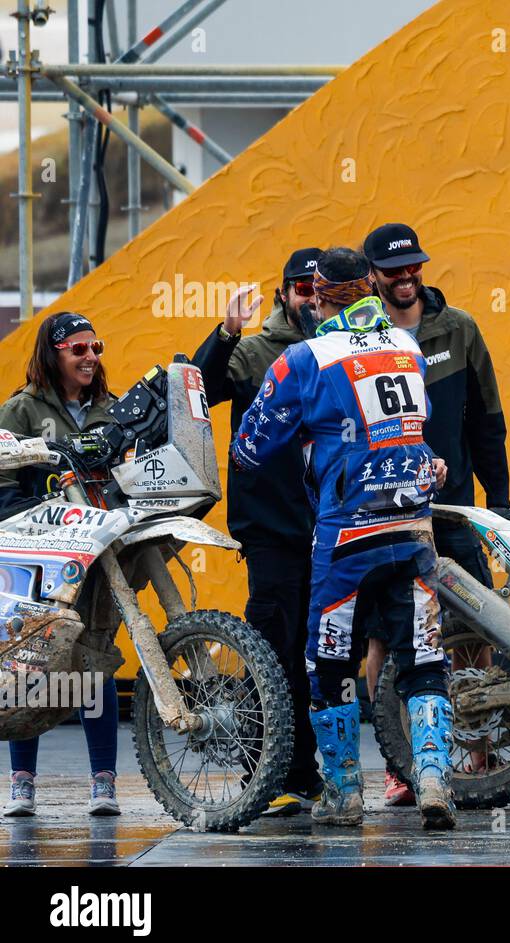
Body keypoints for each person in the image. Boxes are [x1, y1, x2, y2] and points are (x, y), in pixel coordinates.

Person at [230, 247, 454, 829]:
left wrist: (306, 432)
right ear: (373, 289)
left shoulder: (304, 358)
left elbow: (250, 448)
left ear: (321, 294)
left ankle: (344, 794)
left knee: (328, 666)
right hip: (413, 528)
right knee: (425, 661)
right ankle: (433, 780)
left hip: (346, 536)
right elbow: (416, 425)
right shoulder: (408, 346)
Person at [360, 223, 510, 806]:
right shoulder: (359, 339)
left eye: (412, 268)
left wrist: (497, 507)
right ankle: (400, 764)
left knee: (476, 625)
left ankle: (481, 755)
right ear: (372, 275)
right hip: (384, 514)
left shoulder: (461, 329)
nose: (405, 278)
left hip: (454, 512)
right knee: (383, 636)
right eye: (393, 270)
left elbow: (488, 424)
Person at [192, 248, 323, 816]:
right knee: (273, 650)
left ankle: (308, 774)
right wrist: (224, 332)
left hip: (334, 528)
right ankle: (265, 774)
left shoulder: (340, 349)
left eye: (320, 290)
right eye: (301, 289)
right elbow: (202, 385)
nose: (311, 299)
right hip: (271, 530)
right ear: (284, 293)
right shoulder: (253, 352)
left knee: (320, 659)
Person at [0, 312, 120, 817]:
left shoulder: (114, 410)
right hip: (35, 559)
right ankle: (22, 782)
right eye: (78, 350)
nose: (90, 357)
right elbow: (2, 493)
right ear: (54, 355)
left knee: (94, 661)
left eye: (96, 347)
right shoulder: (20, 409)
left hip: (96, 553)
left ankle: (104, 783)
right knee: (27, 662)